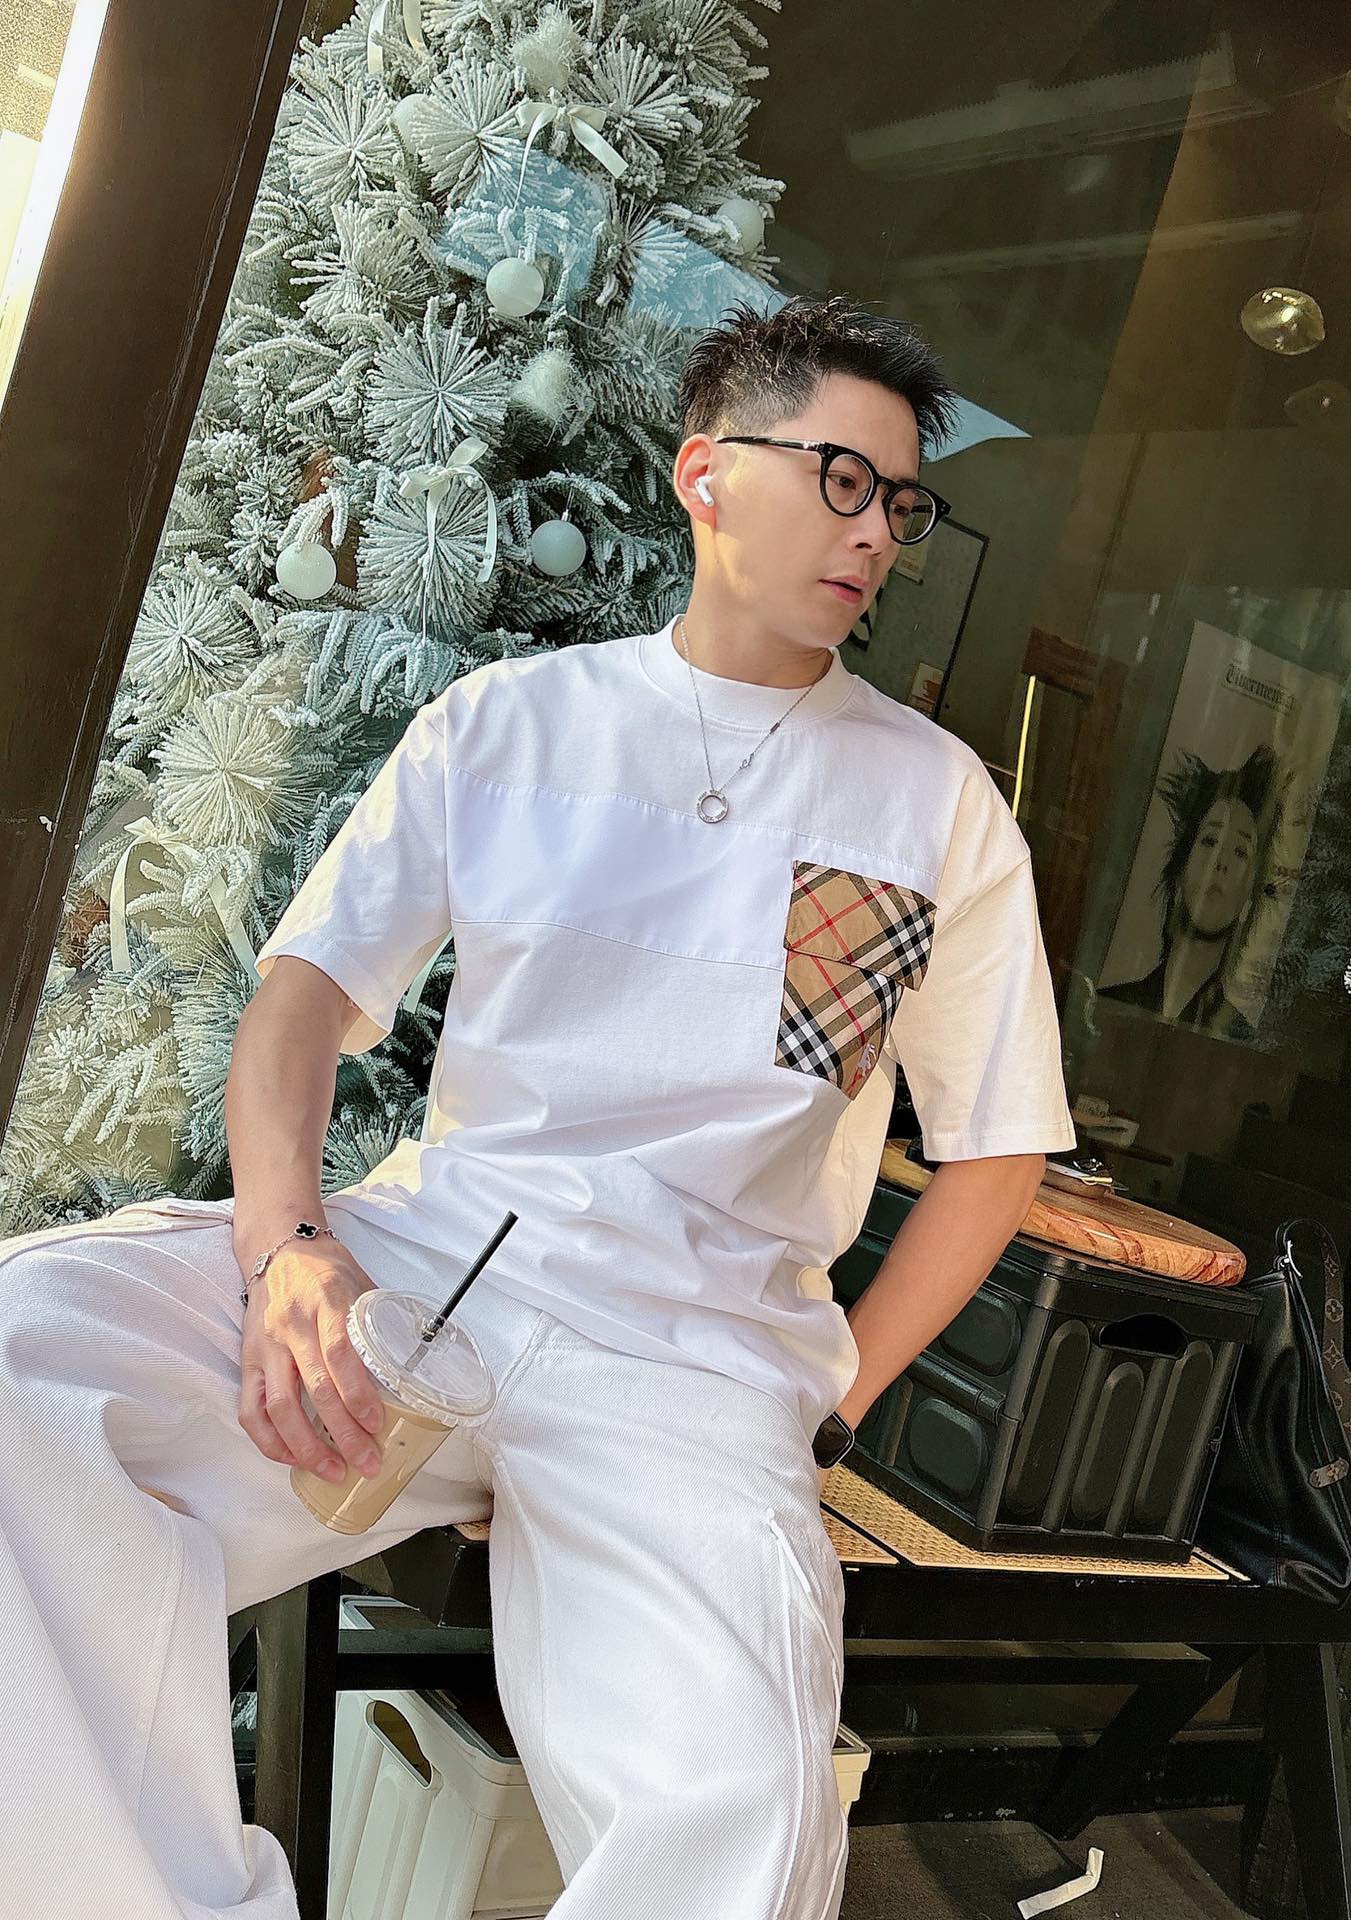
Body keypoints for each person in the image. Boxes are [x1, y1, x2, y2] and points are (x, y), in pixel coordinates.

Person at [0, 293, 1074, 1919]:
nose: (875, 532)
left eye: (901, 504)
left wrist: (833, 1400)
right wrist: (287, 1248)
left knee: (743, 1810)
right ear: (707, 474)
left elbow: (998, 1151)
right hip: (442, 1264)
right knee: (25, 1355)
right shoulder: (511, 725)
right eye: (842, 479)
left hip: (703, 1353)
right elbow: (301, 998)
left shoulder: (938, 804)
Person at [1101, 744, 1284, 1041]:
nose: (1220, 862)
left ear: (1250, 895)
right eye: (1210, 841)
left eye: (1240, 851)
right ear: (1181, 868)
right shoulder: (1107, 1007)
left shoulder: (1239, 1042)